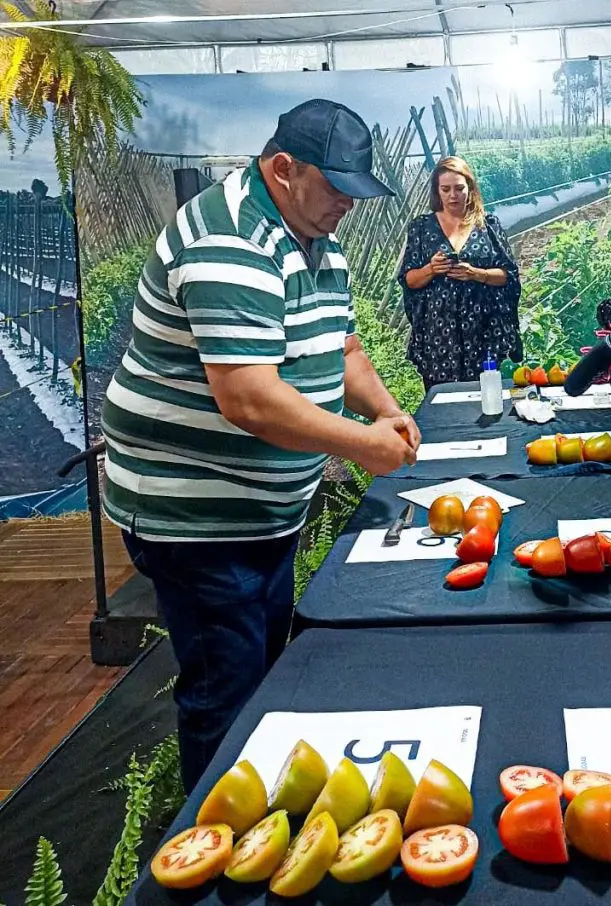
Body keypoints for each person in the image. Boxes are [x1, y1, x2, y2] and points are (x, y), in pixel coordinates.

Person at [100, 99, 423, 793]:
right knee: (228, 688)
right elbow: (247, 397)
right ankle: (217, 850)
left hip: (261, 513)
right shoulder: (230, 239)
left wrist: (387, 410)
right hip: (196, 516)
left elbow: (342, 347)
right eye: (337, 189)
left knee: (259, 664)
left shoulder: (313, 236)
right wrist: (362, 444)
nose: (349, 207)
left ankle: (255, 810)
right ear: (284, 168)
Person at [399, 156, 522, 389]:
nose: (452, 196)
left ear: (470, 189)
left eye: (459, 188)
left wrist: (477, 273)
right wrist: (431, 269)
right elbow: (409, 280)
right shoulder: (421, 228)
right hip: (438, 337)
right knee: (442, 404)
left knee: (485, 399)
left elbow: (509, 275)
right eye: (445, 189)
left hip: (484, 333)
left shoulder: (488, 225)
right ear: (437, 192)